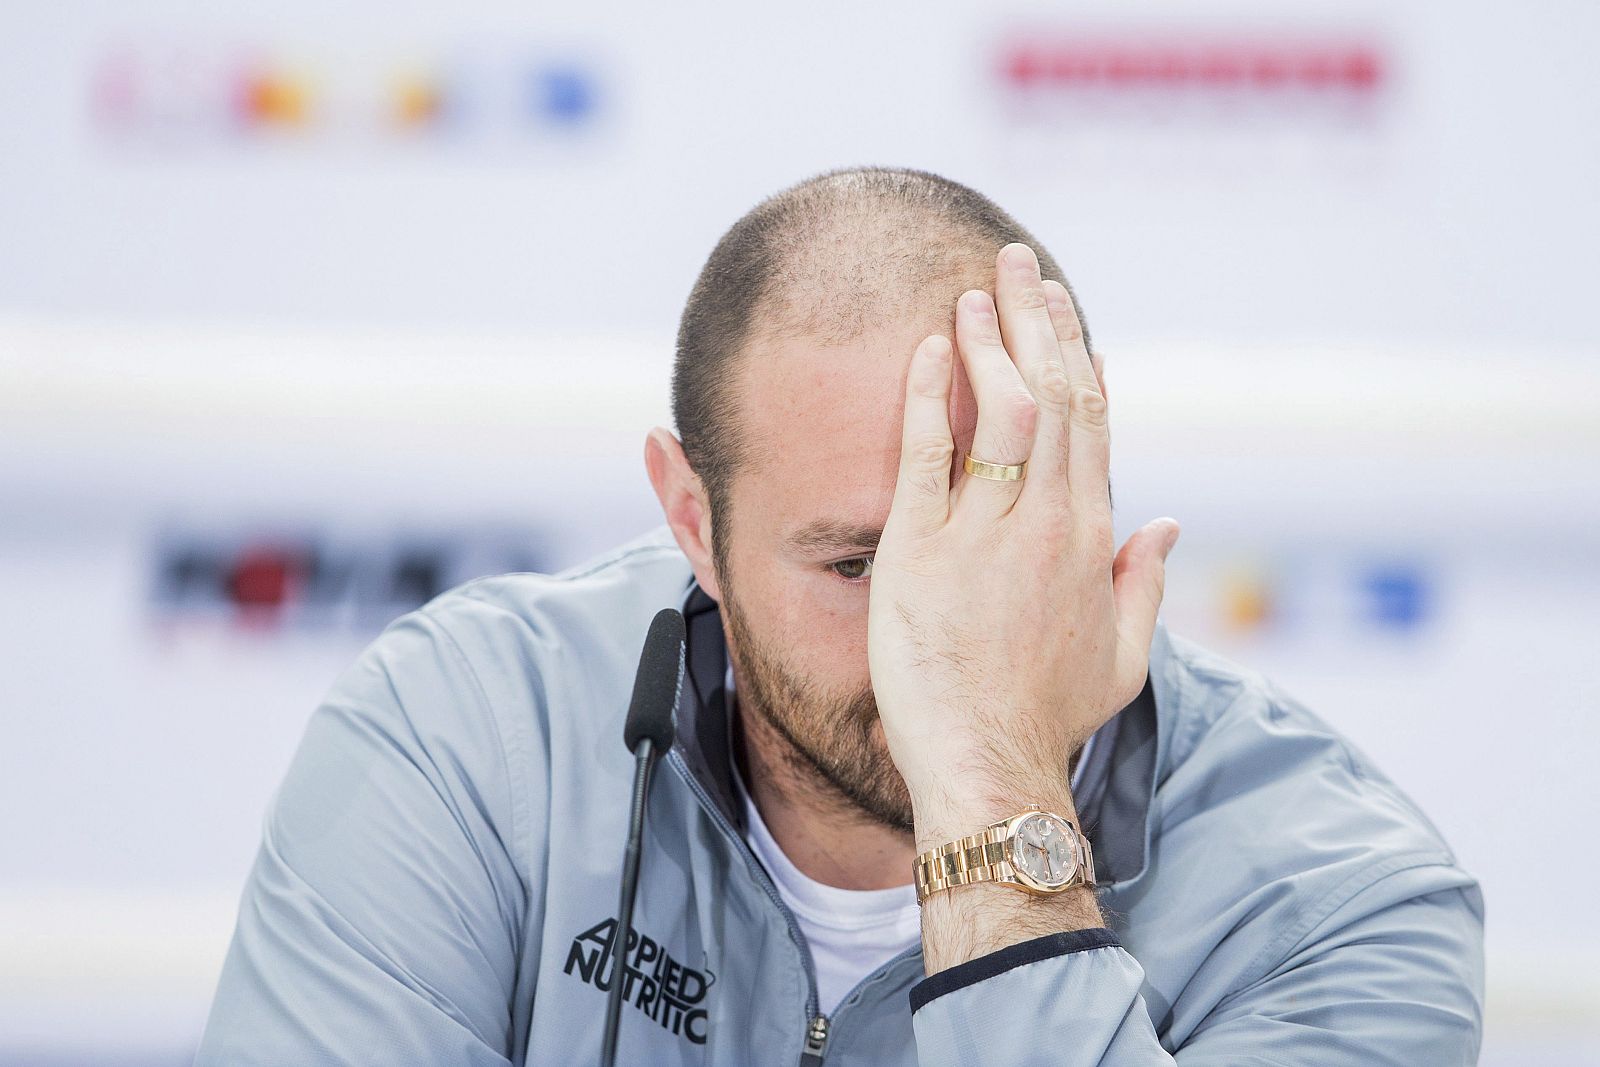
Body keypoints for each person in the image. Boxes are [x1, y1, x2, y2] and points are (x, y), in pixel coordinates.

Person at [196, 167, 1484, 1066]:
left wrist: (992, 797)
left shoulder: (1346, 908)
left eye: (983, 534)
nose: (929, 644)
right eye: (858, 565)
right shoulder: (465, 734)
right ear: (693, 523)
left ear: (1088, 489)